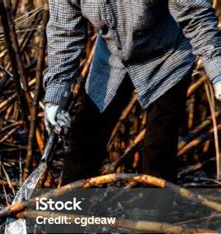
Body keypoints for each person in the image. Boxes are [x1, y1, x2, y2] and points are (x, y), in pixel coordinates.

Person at [44, 0, 221, 184]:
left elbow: (196, 16)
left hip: (169, 55)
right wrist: (56, 96)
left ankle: (156, 211)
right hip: (113, 56)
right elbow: (64, 32)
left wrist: (217, 72)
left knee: (158, 148)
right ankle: (71, 207)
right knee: (85, 136)